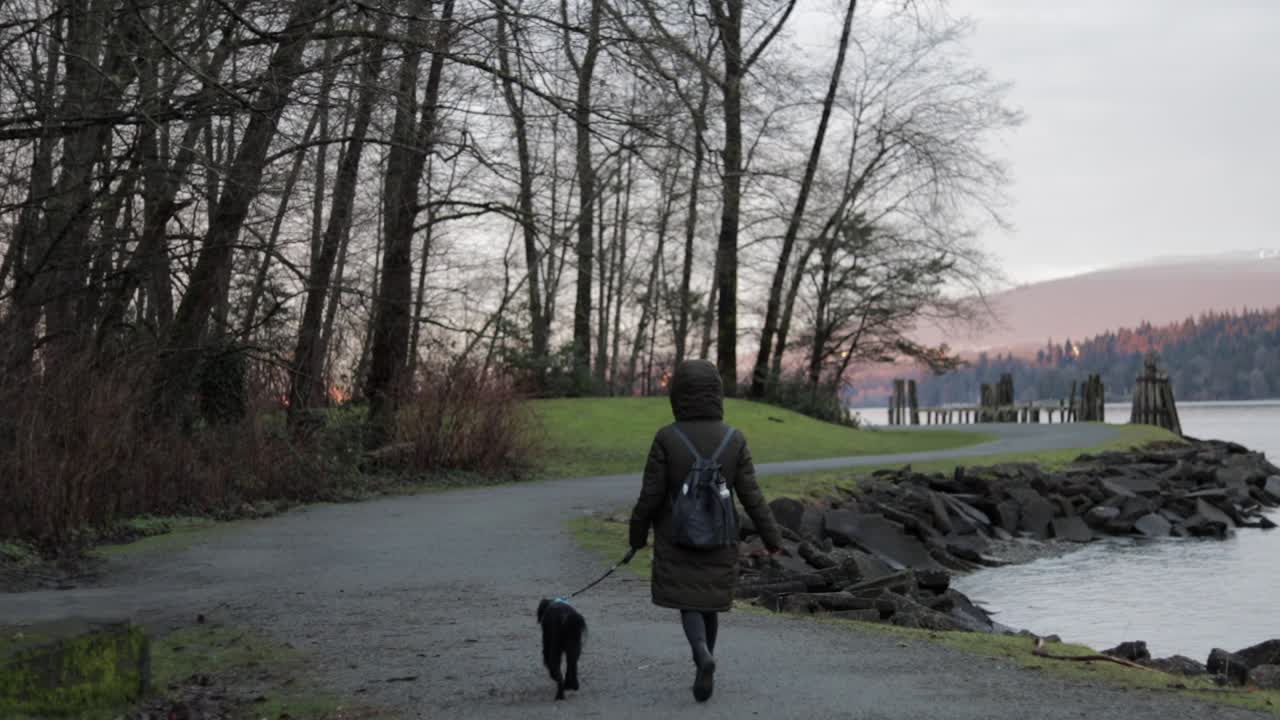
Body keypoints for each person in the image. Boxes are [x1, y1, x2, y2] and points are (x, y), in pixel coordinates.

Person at [628, 359, 783, 703]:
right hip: (721, 534)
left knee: (689, 601)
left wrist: (637, 535)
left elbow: (650, 495)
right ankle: (705, 663)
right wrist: (773, 539)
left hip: (676, 535)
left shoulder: (667, 438)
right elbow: (752, 496)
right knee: (709, 601)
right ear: (716, 394)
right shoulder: (734, 439)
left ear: (678, 395)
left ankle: (700, 652)